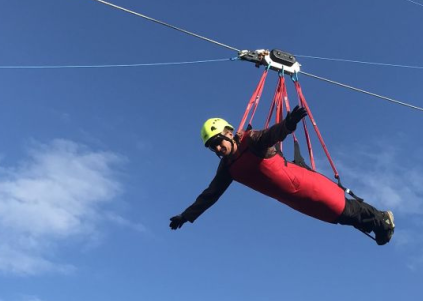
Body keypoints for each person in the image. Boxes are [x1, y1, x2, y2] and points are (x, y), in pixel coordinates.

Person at [169, 105, 395, 245]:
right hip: (292, 199)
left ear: (229, 133)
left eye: (218, 142)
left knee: (342, 207)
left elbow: (270, 135)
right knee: (337, 218)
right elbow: (211, 194)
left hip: (303, 183)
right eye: (212, 147)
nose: (218, 149)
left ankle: (382, 218)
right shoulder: (228, 167)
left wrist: (287, 125)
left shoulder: (251, 141)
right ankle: (376, 226)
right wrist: (186, 215)